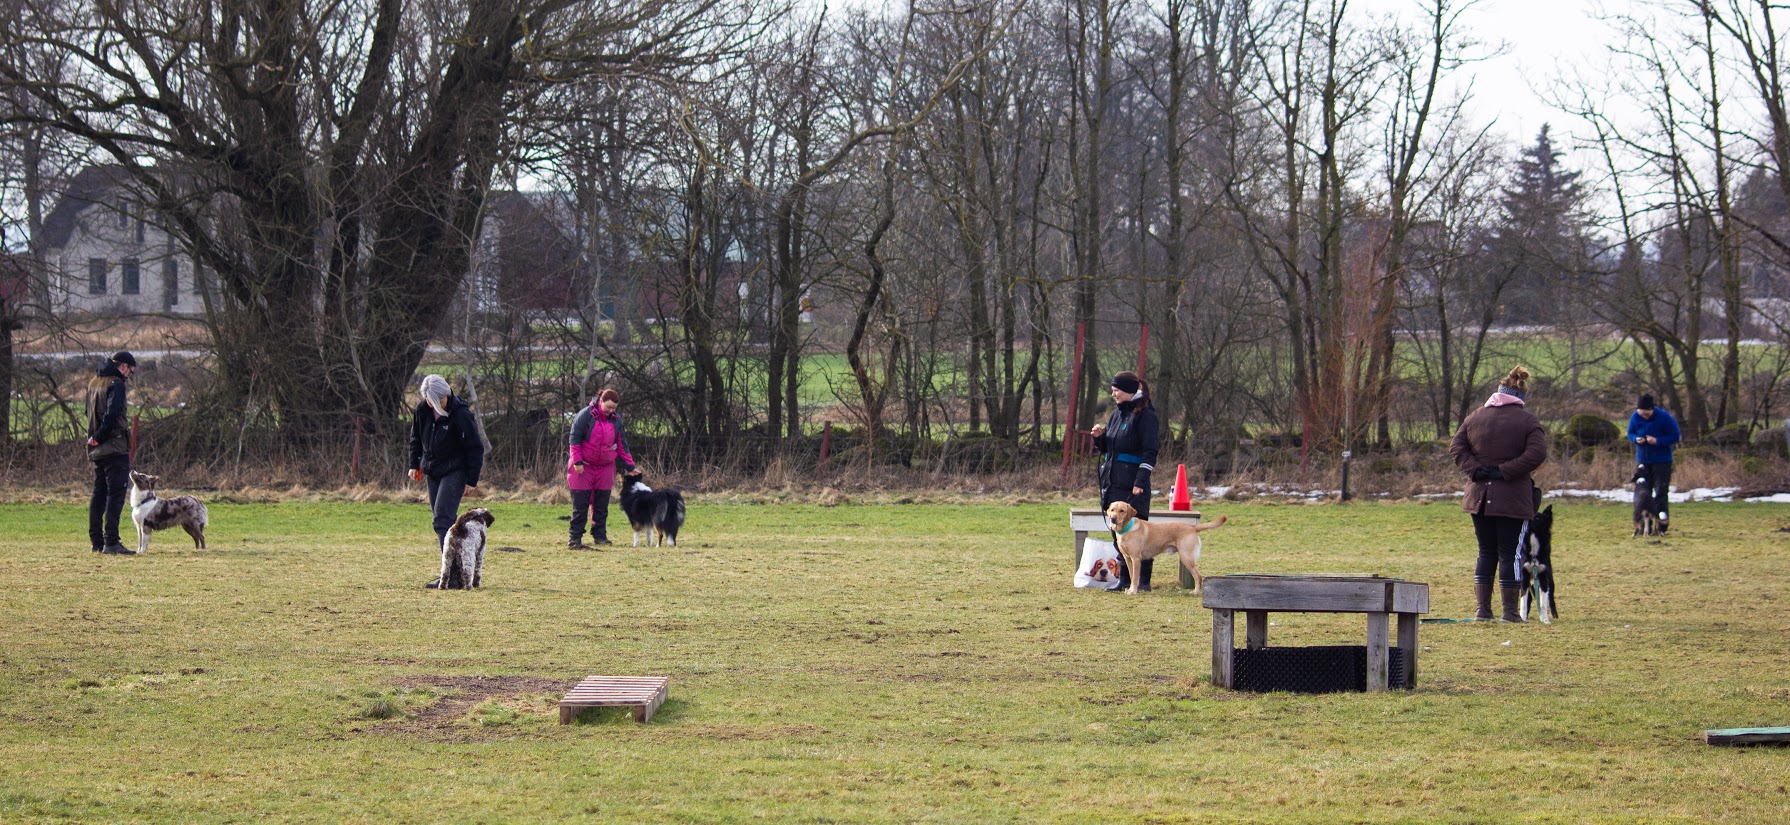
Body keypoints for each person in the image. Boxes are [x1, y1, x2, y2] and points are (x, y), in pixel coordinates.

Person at [1449, 366, 1548, 622]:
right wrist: (1505, 471)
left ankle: (1483, 611)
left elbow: (1456, 447)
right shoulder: (1528, 421)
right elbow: (1537, 454)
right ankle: (1511, 613)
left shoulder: (1475, 417)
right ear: (1521, 397)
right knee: (1510, 554)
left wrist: (1477, 470)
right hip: (1512, 498)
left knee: (1486, 552)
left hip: (1478, 498)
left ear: (1498, 392)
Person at [1091, 371, 1160, 591]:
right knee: (1118, 534)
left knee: (1138, 536)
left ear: (1130, 391)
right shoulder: (1116, 415)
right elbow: (1111, 448)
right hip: (1113, 482)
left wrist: (1141, 481)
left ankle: (1143, 583)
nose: (1114, 395)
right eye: (1112, 391)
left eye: (1116, 390)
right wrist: (1100, 439)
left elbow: (1150, 452)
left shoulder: (1147, 416)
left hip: (1133, 485)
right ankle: (1124, 581)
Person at [408, 374, 485, 552]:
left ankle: (452, 572)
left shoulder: (461, 415)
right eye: (430, 400)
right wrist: (415, 463)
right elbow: (415, 438)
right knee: (441, 521)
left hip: (455, 470)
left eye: (440, 400)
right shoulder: (422, 410)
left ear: (446, 395)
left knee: (443, 519)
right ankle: (452, 569)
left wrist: (472, 480)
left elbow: (475, 448)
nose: (435, 404)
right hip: (433, 470)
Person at [566, 388, 636, 548]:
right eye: (608, 407)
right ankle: (575, 538)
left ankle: (600, 536)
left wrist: (630, 466)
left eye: (614, 408)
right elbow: (574, 438)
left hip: (605, 468)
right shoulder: (585, 415)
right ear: (601, 401)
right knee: (580, 505)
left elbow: (622, 445)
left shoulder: (616, 420)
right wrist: (577, 461)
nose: (611, 411)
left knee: (601, 505)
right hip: (583, 467)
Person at [85, 351, 138, 555]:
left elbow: (88, 413)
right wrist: (101, 435)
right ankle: (112, 542)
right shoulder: (116, 384)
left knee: (99, 493)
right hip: (113, 446)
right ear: (123, 366)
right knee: (115, 495)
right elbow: (113, 414)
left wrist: (94, 438)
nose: (128, 376)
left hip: (97, 447)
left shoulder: (93, 382)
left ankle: (97, 541)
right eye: (130, 371)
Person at [1627, 393, 1681, 534]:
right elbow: (1630, 432)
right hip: (1643, 461)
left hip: (1662, 461)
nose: (1644, 416)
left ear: (1652, 409)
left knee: (1661, 492)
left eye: (1647, 413)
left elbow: (1675, 435)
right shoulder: (1635, 417)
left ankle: (1661, 526)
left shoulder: (1664, 417)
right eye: (1641, 413)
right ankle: (1646, 526)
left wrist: (1657, 441)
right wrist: (1635, 439)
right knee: (1644, 494)